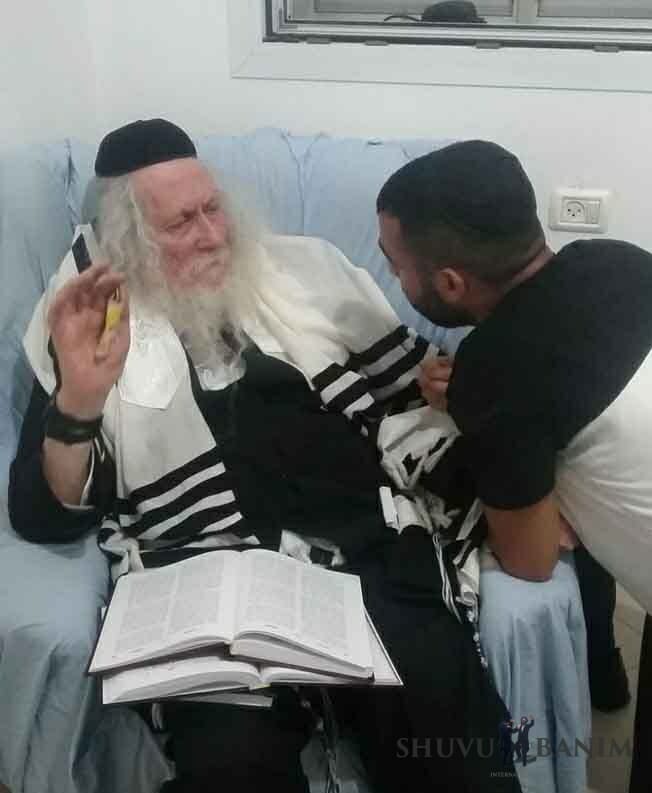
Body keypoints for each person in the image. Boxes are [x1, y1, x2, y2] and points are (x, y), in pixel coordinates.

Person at [9, 120, 521, 793]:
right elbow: (43, 514)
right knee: (232, 765)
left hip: (365, 553)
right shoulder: (85, 327)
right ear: (129, 241)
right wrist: (79, 399)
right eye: (182, 222)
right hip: (205, 573)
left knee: (450, 740)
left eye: (212, 208)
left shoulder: (305, 274)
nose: (213, 234)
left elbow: (410, 397)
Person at [376, 140, 652, 712]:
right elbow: (561, 383)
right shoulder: (618, 258)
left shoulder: (493, 374)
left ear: (450, 283)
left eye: (396, 265)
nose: (394, 277)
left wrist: (476, 402)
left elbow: (532, 561)